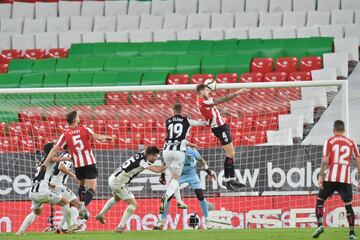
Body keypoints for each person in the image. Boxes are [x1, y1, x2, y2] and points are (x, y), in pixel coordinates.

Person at [43, 111, 113, 207]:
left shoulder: (65, 135)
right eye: (78, 117)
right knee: (92, 188)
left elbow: (54, 150)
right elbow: (96, 137)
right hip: (89, 163)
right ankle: (83, 206)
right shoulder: (85, 129)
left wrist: (46, 162)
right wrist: (106, 137)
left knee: (81, 185)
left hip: (78, 165)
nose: (79, 118)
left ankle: (81, 207)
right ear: (76, 120)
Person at [95, 146, 166, 233]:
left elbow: (147, 148)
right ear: (149, 155)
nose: (155, 158)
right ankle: (120, 227)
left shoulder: (141, 154)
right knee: (133, 204)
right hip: (118, 182)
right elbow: (157, 170)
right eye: (154, 156)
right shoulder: (142, 161)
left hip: (113, 178)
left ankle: (100, 215)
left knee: (117, 198)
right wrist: (168, 164)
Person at [313, 120, 360, 240]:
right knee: (348, 206)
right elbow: (358, 160)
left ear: (334, 130)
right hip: (345, 179)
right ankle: (352, 233)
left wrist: (321, 176)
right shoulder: (351, 142)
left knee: (320, 199)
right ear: (344, 130)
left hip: (331, 177)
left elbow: (325, 160)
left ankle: (319, 225)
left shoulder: (329, 141)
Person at [16, 143, 75, 236]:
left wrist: (49, 184)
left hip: (33, 191)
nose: (57, 149)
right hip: (42, 191)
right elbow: (54, 159)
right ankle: (70, 226)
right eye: (55, 148)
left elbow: (41, 176)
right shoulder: (49, 158)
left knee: (36, 212)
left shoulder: (43, 161)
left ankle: (20, 231)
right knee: (66, 202)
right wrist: (68, 158)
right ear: (52, 150)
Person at [195, 84, 246, 191]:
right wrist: (238, 92)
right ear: (201, 92)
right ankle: (227, 180)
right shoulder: (203, 101)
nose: (208, 91)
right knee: (230, 154)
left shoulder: (204, 100)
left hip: (221, 126)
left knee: (231, 154)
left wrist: (230, 114)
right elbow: (223, 99)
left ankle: (231, 179)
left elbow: (216, 110)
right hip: (219, 128)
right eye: (206, 90)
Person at [159, 103, 208, 214]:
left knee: (173, 178)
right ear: (182, 110)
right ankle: (166, 196)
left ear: (172, 110)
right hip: (178, 152)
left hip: (166, 151)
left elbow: (175, 137)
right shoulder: (187, 120)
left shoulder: (167, 121)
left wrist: (189, 143)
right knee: (175, 179)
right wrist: (210, 121)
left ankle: (179, 201)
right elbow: (202, 123)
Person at [154, 146, 217, 230]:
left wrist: (208, 171)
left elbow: (200, 160)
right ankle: (162, 220)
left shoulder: (191, 151)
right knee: (168, 196)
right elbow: (166, 163)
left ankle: (207, 220)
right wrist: (162, 175)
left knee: (200, 196)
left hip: (192, 175)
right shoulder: (174, 152)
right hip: (178, 175)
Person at [51, 148, 89, 233]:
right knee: (77, 204)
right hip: (58, 184)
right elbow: (61, 167)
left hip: (56, 184)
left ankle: (60, 228)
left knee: (69, 206)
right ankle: (67, 227)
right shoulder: (67, 155)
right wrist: (73, 175)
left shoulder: (63, 155)